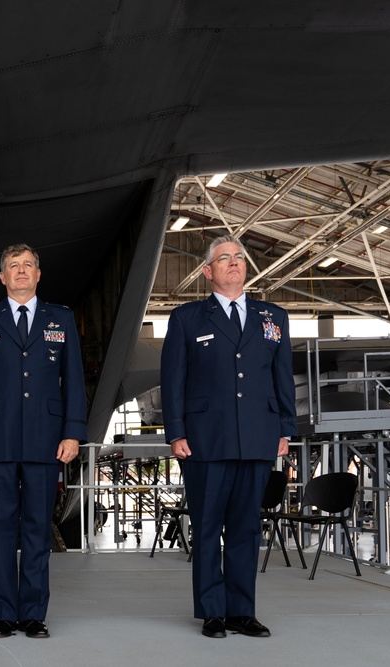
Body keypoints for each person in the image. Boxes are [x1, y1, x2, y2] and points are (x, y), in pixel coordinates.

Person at [160, 234, 296, 639]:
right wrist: (176, 433)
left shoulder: (273, 317)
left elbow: (282, 377)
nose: (233, 262)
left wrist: (285, 428)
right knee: (206, 525)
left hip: (257, 435)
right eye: (223, 258)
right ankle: (212, 612)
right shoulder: (187, 318)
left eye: (239, 257)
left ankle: (241, 610)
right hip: (204, 438)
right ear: (208, 271)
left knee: (245, 528)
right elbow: (173, 381)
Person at [0, 243, 87, 639]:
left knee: (35, 529)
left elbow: (75, 381)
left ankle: (33, 614)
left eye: (28, 265)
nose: (22, 271)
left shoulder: (60, 318)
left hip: (46, 441)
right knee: (0, 529)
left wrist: (73, 431)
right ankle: (2, 615)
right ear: (2, 276)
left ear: (39, 274)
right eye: (14, 266)